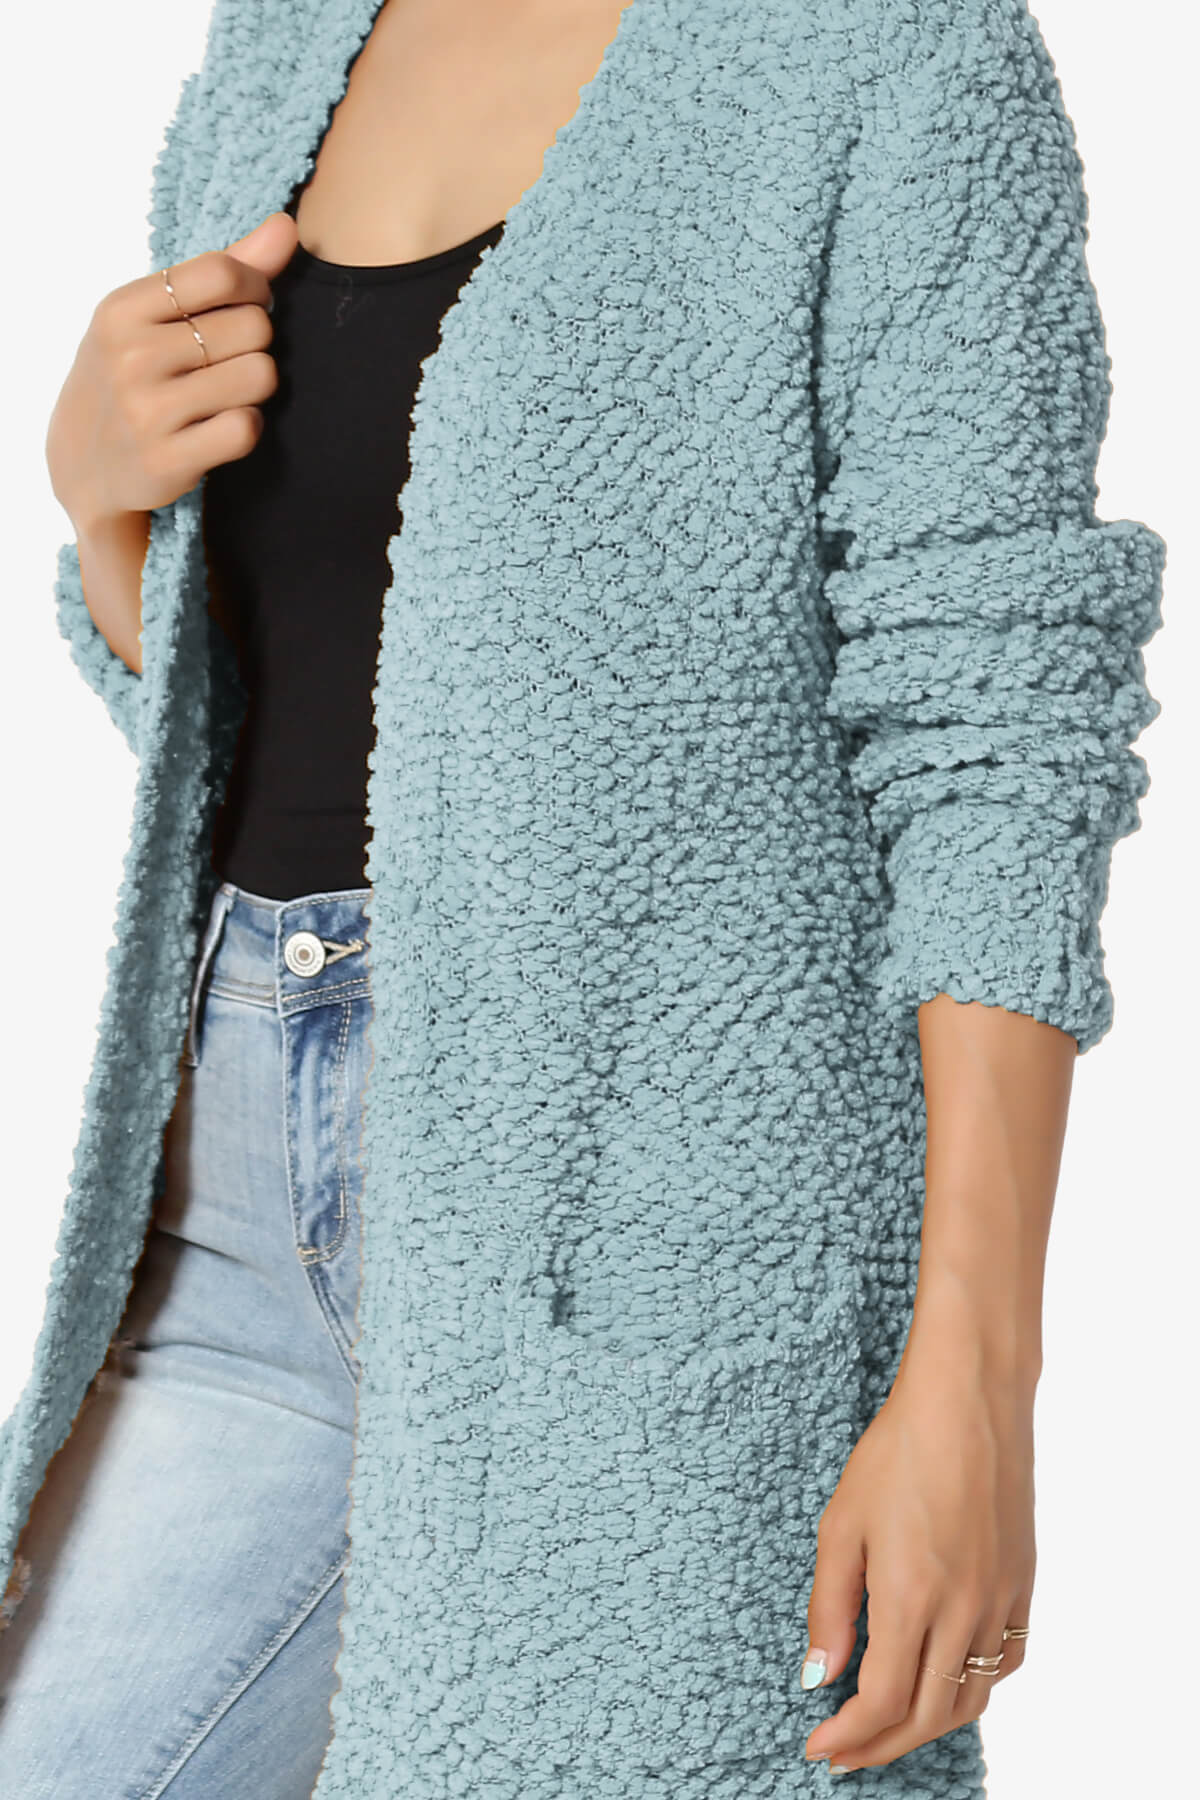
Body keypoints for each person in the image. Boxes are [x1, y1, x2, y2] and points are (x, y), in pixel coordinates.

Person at [0, 2, 1166, 1797]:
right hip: (224, 1212)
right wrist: (106, 512)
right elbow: (311, 710)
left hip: (648, 1242)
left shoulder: (889, 56)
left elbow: (999, 738)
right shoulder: (281, 41)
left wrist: (976, 1377)